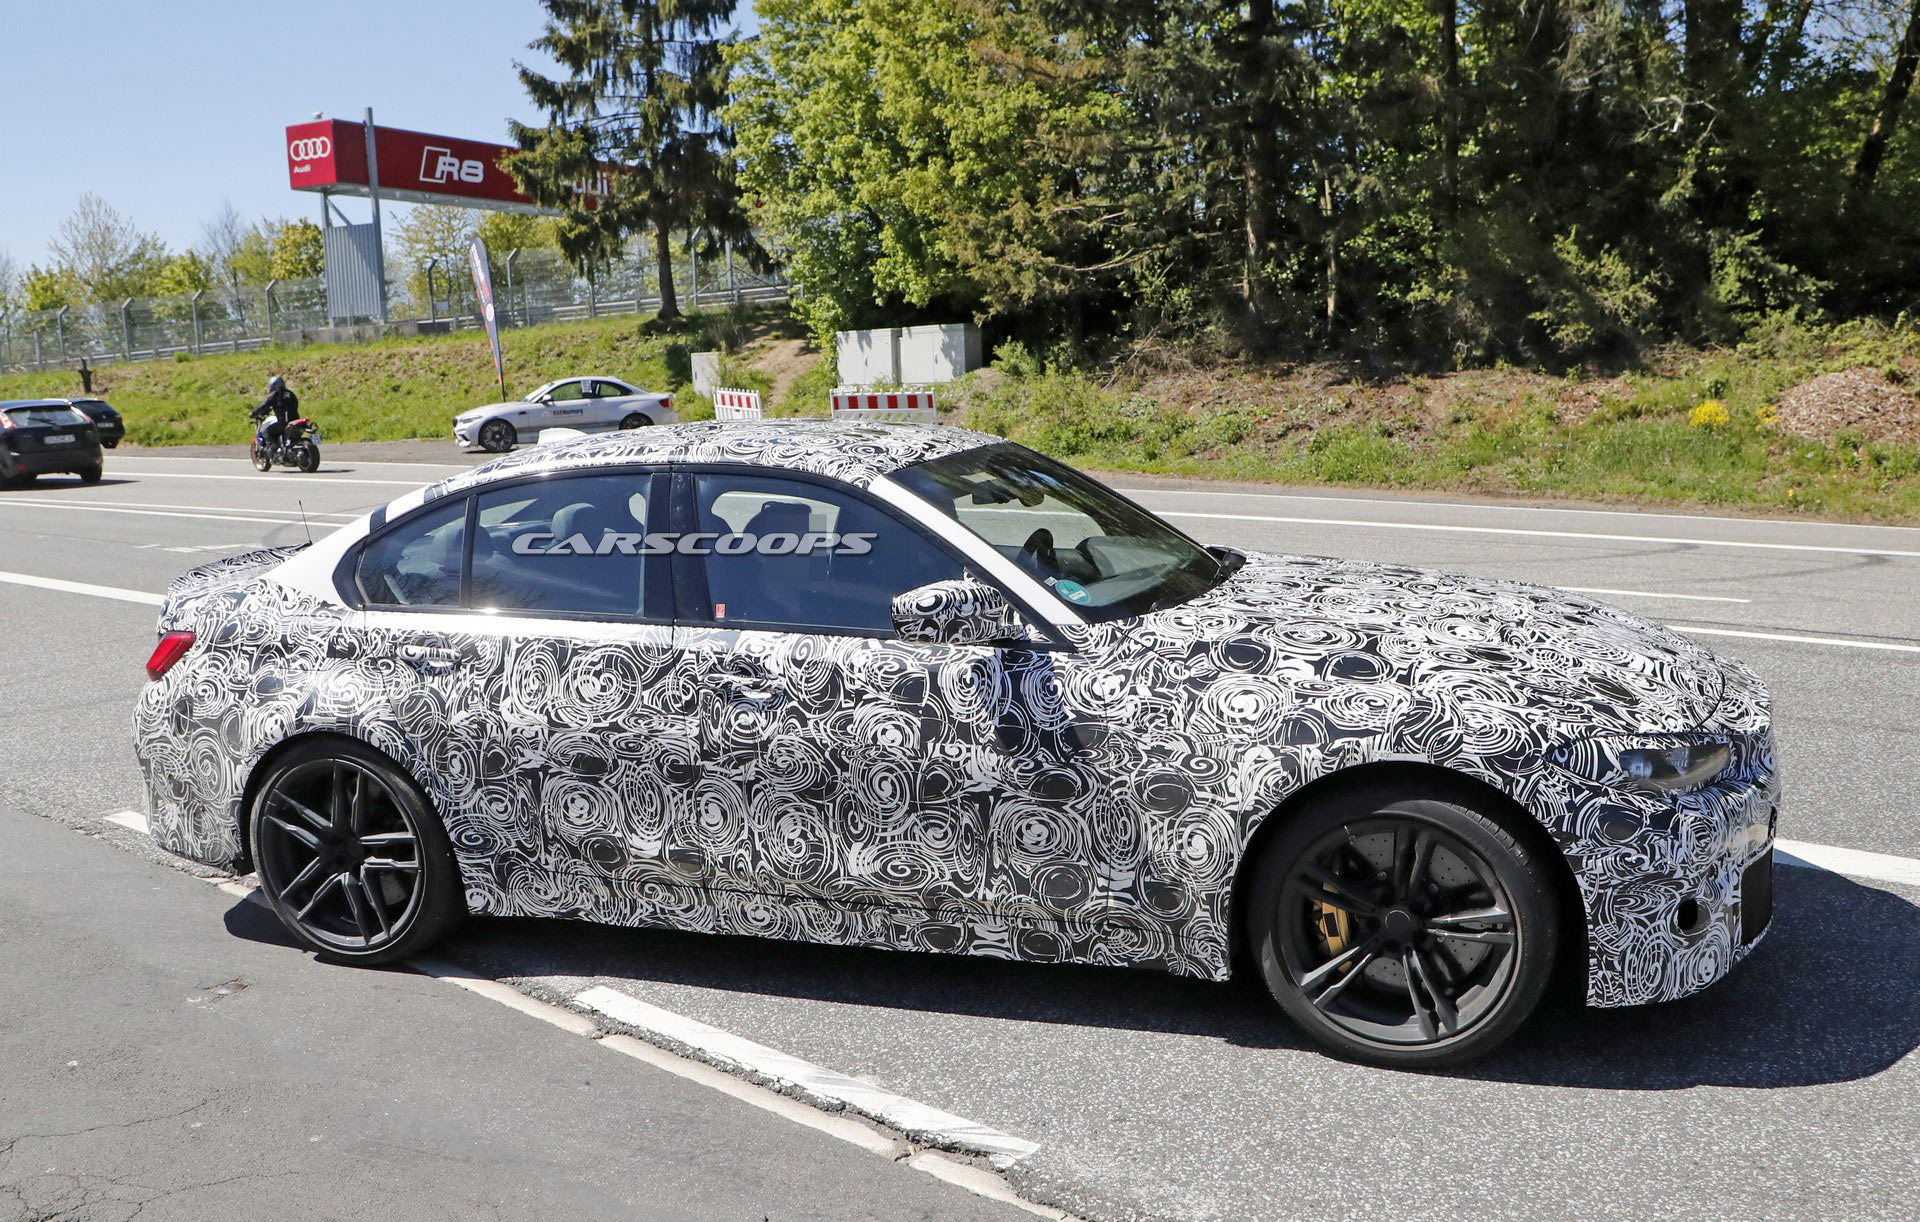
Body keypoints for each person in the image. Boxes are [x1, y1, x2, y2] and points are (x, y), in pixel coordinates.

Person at [252, 375, 299, 452]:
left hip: (283, 423)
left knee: (266, 431)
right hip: (295, 421)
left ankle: (272, 448)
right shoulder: (290, 394)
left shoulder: (275, 394)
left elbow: (264, 405)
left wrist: (253, 413)